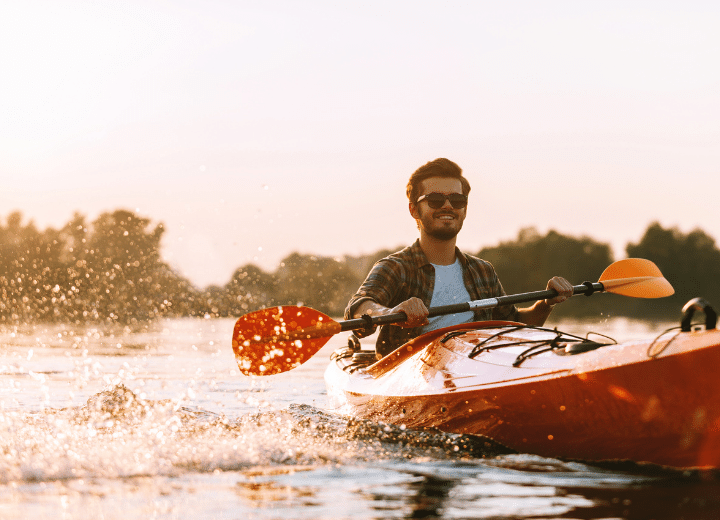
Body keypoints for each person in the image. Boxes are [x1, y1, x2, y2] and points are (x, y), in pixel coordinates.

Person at [345, 158, 574, 358]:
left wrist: (547, 303)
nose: (447, 206)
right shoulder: (395, 267)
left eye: (457, 200)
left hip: (475, 368)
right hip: (411, 377)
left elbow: (515, 325)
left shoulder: (483, 271)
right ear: (414, 210)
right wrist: (390, 313)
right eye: (435, 199)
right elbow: (359, 307)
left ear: (464, 209)